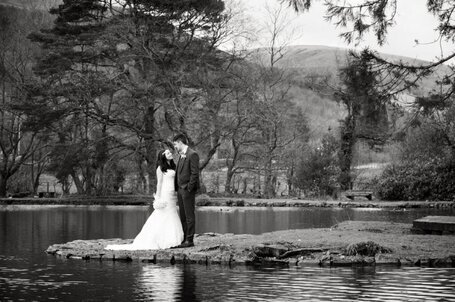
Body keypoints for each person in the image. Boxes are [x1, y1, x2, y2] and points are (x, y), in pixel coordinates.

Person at [105, 149, 183, 250]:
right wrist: (158, 198)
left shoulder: (173, 166)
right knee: (164, 213)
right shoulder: (160, 168)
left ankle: (173, 237)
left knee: (172, 212)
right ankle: (162, 239)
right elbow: (159, 183)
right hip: (165, 193)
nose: (170, 154)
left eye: (170, 152)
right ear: (163, 156)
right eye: (168, 153)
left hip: (173, 194)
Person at [172, 134, 200, 248]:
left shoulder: (192, 154)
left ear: (180, 142)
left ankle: (190, 240)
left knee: (189, 216)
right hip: (180, 189)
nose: (174, 146)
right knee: (183, 216)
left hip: (187, 190)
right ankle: (184, 239)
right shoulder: (180, 155)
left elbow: (195, 173)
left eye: (175, 144)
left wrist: (189, 188)